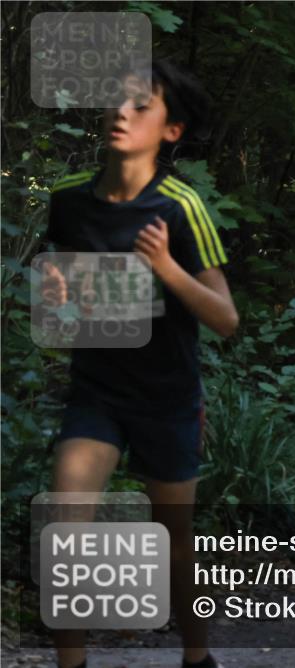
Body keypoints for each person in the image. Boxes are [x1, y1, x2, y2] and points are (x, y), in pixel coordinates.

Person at [40, 61, 237, 668]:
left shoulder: (180, 207)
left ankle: (197, 657)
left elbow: (226, 319)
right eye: (116, 102)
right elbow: (61, 325)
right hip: (95, 394)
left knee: (176, 542)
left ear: (170, 131)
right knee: (66, 528)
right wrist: (57, 300)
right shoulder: (69, 201)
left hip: (168, 398)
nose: (121, 113)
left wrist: (167, 269)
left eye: (140, 105)